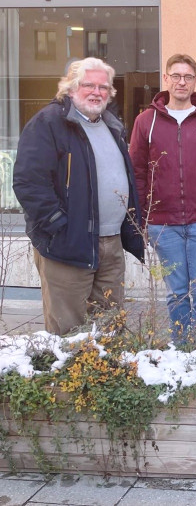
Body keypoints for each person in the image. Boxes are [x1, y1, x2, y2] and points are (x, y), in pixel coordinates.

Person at [13, 57, 144, 336]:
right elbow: (28, 182)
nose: (97, 92)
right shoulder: (48, 123)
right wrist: (59, 225)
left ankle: (107, 379)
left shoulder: (111, 125)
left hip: (110, 243)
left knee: (110, 329)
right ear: (70, 88)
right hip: (67, 244)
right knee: (69, 332)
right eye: (89, 85)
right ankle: (65, 381)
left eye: (104, 87)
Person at [129, 53, 196, 344]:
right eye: (176, 76)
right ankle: (180, 349)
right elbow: (136, 172)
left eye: (188, 76)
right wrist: (143, 218)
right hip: (163, 225)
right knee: (176, 292)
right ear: (166, 79)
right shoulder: (146, 122)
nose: (181, 82)